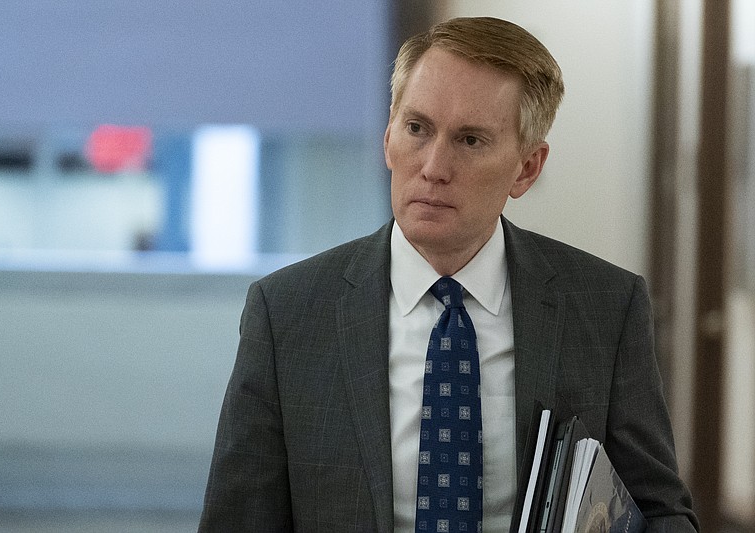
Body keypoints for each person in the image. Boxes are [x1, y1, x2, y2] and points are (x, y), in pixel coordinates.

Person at [198, 16, 698, 532]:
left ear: (527, 167)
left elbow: (661, 511)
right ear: (388, 135)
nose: (434, 165)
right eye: (417, 129)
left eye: (470, 140)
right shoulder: (287, 314)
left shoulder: (606, 307)